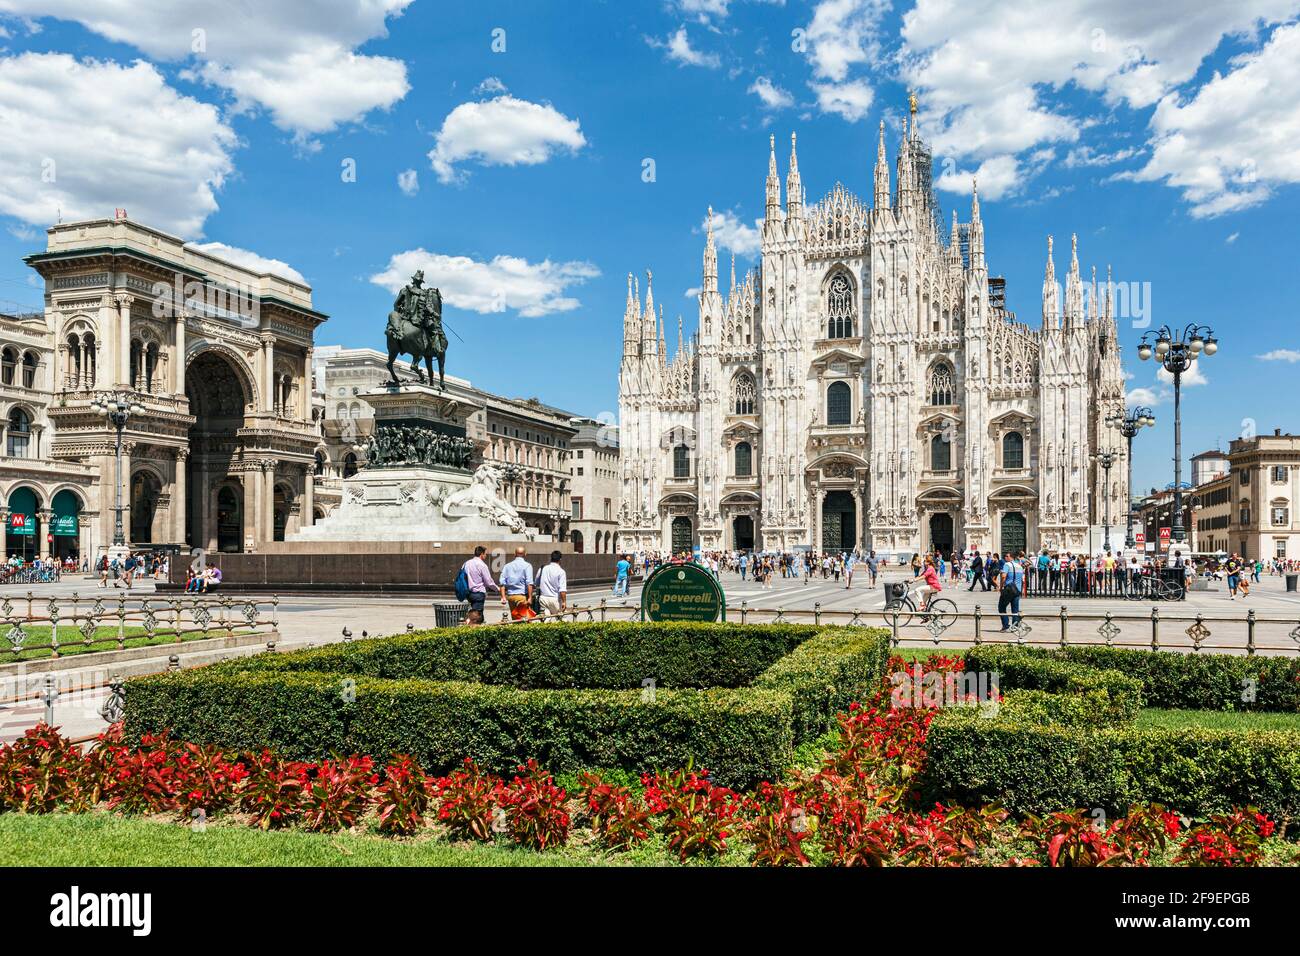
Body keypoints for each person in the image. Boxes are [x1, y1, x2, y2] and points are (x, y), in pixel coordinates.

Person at [462, 545, 499, 625]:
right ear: (481, 554)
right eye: (485, 554)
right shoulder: (482, 565)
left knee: (474, 613)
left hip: (468, 593)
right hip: (478, 593)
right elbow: (488, 582)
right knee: (477, 616)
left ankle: (470, 623)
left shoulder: (466, 564)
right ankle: (472, 628)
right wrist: (497, 589)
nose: (486, 556)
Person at [499, 547, 535, 621]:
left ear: (515, 554)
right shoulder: (527, 566)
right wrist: (530, 597)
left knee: (515, 619)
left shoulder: (507, 566)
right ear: (525, 554)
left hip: (511, 597)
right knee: (524, 620)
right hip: (522, 597)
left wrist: (503, 597)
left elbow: (502, 583)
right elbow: (529, 583)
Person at [997, 552, 1024, 632]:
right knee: (1015, 609)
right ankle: (1015, 626)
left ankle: (1005, 626)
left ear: (1011, 557)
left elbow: (1003, 576)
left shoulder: (1007, 565)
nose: (1005, 557)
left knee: (1001, 607)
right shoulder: (1019, 566)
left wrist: (1001, 587)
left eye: (1006, 556)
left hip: (1009, 590)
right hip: (1018, 590)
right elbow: (1022, 579)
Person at [536, 550, 567, 618]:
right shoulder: (561, 572)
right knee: (562, 618)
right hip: (554, 599)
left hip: (543, 598)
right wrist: (564, 601)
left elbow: (536, 582)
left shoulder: (543, 568)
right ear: (560, 559)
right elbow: (562, 590)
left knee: (546, 619)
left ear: (551, 558)